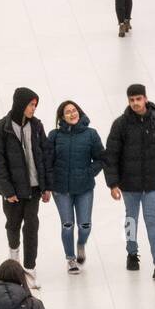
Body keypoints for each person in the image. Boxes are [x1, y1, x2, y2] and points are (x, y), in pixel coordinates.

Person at [104, 84, 155, 279]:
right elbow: (111, 155)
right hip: (129, 184)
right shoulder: (120, 124)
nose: (135, 103)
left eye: (138, 99)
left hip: (152, 182)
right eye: (131, 100)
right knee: (131, 219)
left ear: (145, 98)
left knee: (152, 220)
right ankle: (131, 253)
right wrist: (113, 184)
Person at [0, 87, 52, 286]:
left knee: (32, 226)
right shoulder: (1, 128)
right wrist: (7, 191)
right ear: (20, 104)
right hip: (12, 192)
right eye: (30, 104)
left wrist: (46, 186)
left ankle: (30, 269)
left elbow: (45, 155)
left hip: (33, 188)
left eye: (35, 105)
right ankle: (14, 259)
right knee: (13, 225)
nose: (33, 108)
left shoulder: (37, 126)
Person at [46, 101, 105, 273]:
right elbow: (47, 162)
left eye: (74, 111)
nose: (72, 114)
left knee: (85, 225)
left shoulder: (91, 134)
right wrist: (48, 185)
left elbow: (101, 158)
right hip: (61, 188)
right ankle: (71, 259)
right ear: (61, 117)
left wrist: (89, 172)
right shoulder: (54, 135)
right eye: (67, 112)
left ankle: (81, 244)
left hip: (84, 187)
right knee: (67, 224)